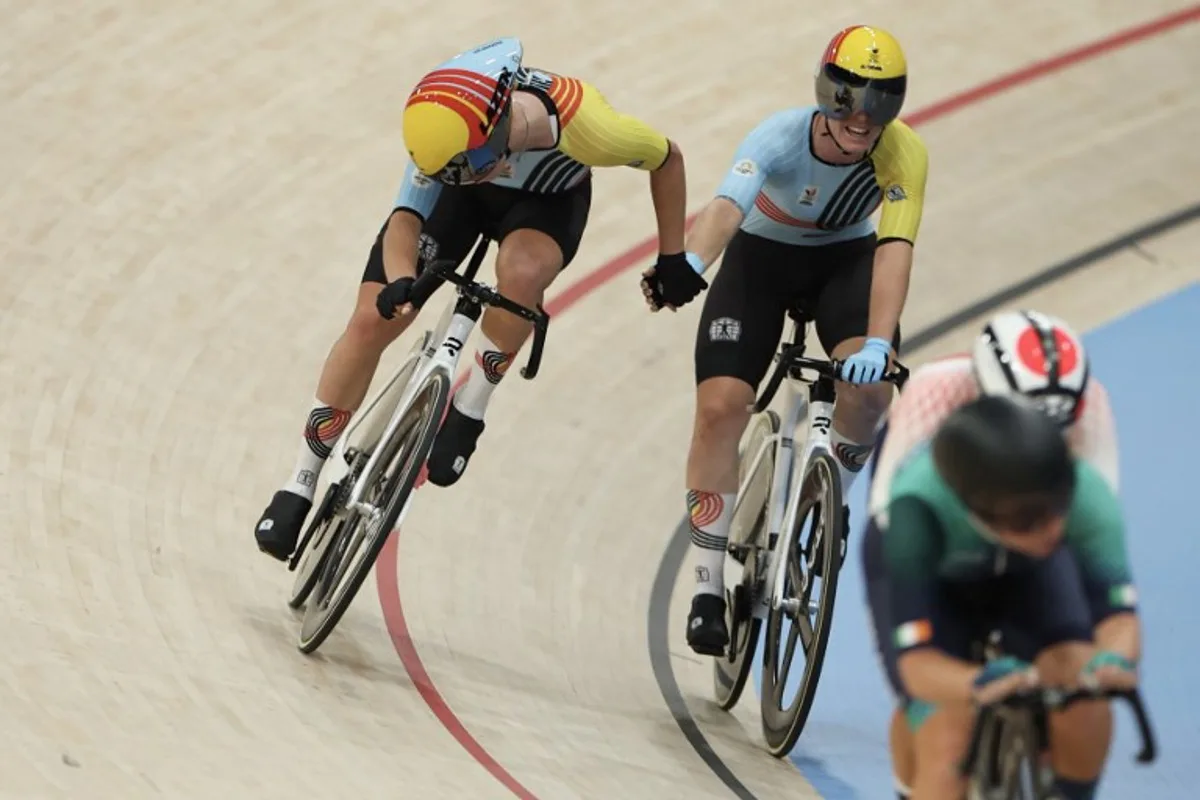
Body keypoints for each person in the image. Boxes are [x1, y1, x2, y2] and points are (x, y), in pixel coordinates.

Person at [254, 37, 692, 560]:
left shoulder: (588, 126)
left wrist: (672, 257)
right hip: (457, 204)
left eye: (470, 162)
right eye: (450, 169)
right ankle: (301, 478)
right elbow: (406, 221)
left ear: (499, 128)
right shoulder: (442, 123)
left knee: (522, 272)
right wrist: (399, 284)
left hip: (545, 202)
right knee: (372, 321)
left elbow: (668, 159)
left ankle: (471, 405)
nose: (462, 171)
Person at [638, 24, 930, 654]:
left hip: (846, 265)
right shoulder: (779, 135)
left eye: (880, 106)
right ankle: (710, 587)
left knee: (873, 391)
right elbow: (727, 207)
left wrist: (878, 344)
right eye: (850, 101)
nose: (862, 121)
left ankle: (832, 506)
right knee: (719, 409)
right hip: (760, 264)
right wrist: (690, 265)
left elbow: (894, 252)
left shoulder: (904, 153)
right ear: (826, 94)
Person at [868, 309, 1122, 797]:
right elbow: (892, 524)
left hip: (1033, 525)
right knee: (935, 711)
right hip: (933, 530)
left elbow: (1088, 527)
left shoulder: (1090, 403)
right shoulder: (934, 393)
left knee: (1076, 682)